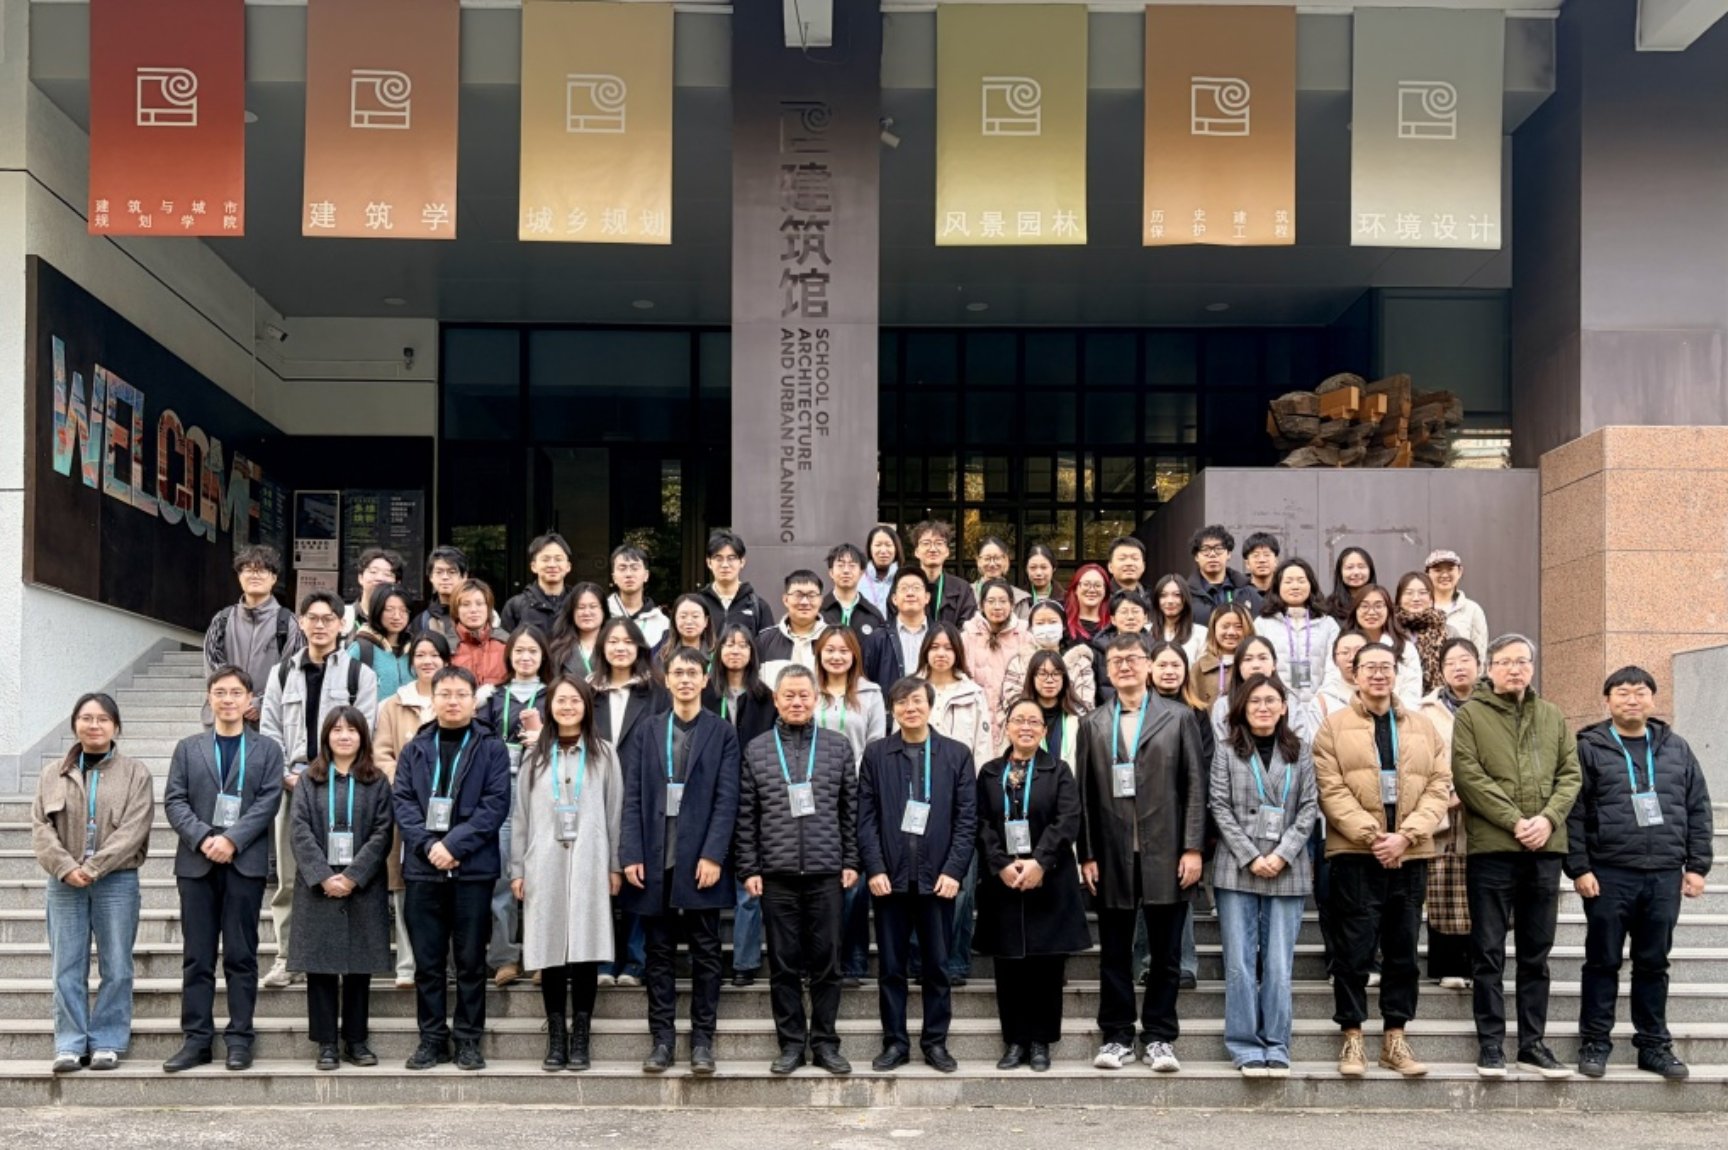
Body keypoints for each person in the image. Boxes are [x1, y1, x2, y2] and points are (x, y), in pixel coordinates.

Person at [1568, 666, 1714, 1081]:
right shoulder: (1589, 748)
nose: (1631, 699)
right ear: (1607, 700)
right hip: (1609, 873)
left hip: (1664, 873)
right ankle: (1595, 1041)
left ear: (1652, 699)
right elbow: (1574, 812)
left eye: (1639, 692)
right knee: (1602, 961)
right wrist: (1579, 867)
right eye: (1622, 692)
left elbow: (1698, 808)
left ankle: (1653, 1045)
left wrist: (1697, 866)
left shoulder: (1676, 748)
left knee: (1653, 963)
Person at [1312, 644, 1451, 1079]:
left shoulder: (1423, 726)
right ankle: (1352, 1035)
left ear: (1397, 673)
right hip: (1357, 855)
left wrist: (1406, 837)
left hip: (1411, 854)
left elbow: (1439, 785)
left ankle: (1395, 1037)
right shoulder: (1333, 727)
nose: (1378, 675)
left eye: (1386, 667)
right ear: (1354, 674)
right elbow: (1331, 790)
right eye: (1369, 667)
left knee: (1403, 951)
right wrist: (1376, 838)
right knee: (1353, 951)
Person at [1450, 634, 1582, 1080]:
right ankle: (1491, 1043)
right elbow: (1468, 776)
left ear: (1532, 667)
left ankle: (1532, 1043)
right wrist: (1515, 821)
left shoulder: (1552, 715)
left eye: (1522, 661)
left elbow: (1570, 774)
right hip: (1493, 849)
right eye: (1505, 662)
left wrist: (1547, 819)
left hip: (1545, 849)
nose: (1514, 669)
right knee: (1488, 951)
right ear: (1489, 668)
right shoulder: (1471, 715)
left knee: (1535, 952)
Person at [1077, 634, 1206, 1073]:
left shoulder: (1178, 717)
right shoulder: (1094, 722)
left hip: (1166, 851)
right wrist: (1087, 854)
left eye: (1132, 658)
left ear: (1149, 665)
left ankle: (1159, 1036)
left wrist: (1193, 847)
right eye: (1115, 660)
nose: (1124, 666)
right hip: (1112, 854)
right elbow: (1086, 795)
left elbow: (1195, 786)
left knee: (1166, 952)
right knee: (1114, 951)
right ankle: (1116, 1035)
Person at [620, 647, 742, 1074]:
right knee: (658, 953)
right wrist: (631, 852)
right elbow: (632, 796)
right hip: (655, 859)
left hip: (701, 860)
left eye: (693, 673)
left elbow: (728, 799)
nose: (686, 679)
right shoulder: (648, 730)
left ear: (705, 680)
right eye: (678, 673)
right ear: (666, 680)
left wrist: (714, 854)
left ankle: (703, 1041)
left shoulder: (722, 732)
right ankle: (662, 1040)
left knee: (706, 953)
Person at [737, 665, 859, 1076]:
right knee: (784, 964)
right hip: (776, 874)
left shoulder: (837, 746)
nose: (796, 702)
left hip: (826, 873)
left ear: (816, 699)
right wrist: (749, 867)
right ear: (776, 700)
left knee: (828, 963)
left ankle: (825, 1043)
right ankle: (791, 1044)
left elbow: (850, 810)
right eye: (788, 695)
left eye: (804, 695)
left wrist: (851, 860)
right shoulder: (757, 749)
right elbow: (746, 816)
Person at [162, 667, 286, 1071]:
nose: (228, 699)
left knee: (241, 955)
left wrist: (232, 840)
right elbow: (175, 801)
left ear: (249, 700)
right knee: (197, 957)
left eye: (236, 693)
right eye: (220, 692)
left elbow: (268, 801)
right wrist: (204, 839)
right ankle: (197, 1040)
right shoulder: (188, 748)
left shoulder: (267, 749)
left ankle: (240, 1038)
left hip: (244, 864)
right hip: (196, 865)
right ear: (209, 697)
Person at [393, 665, 513, 1071]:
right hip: (424, 869)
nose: (453, 701)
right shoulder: (415, 747)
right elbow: (403, 802)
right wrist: (430, 846)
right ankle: (431, 1039)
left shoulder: (491, 747)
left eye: (461, 694)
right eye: (445, 694)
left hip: (473, 869)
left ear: (474, 700)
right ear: (433, 699)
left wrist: (453, 845)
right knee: (428, 963)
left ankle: (467, 1040)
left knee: (470, 960)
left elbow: (495, 804)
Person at [260, 591, 380, 990]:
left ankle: (344, 953)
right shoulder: (281, 673)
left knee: (343, 870)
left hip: (344, 785)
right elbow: (269, 729)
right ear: (301, 622)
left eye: (328, 618)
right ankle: (286, 957)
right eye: (312, 618)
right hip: (295, 784)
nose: (320, 625)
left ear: (342, 624)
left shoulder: (359, 675)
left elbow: (364, 728)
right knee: (290, 876)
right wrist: (285, 774)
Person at [857, 678, 977, 1073]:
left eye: (917, 701)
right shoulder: (877, 754)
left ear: (930, 705)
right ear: (892, 709)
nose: (910, 708)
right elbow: (865, 818)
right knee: (891, 967)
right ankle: (895, 1043)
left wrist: (954, 870)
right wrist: (874, 867)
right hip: (889, 880)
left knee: (937, 967)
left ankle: (935, 1042)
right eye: (901, 702)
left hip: (938, 879)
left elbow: (966, 819)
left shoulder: (955, 754)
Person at [32, 693, 153, 1073]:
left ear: (116, 726)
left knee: (117, 964)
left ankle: (108, 1041)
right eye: (86, 718)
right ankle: (69, 1043)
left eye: (102, 719)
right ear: (75, 725)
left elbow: (134, 829)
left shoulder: (135, 773)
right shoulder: (53, 773)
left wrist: (95, 867)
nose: (94, 725)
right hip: (64, 882)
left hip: (116, 880)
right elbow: (40, 828)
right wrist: (66, 867)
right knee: (66, 965)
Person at [510, 674, 622, 1073]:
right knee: (550, 946)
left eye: (575, 700)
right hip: (544, 861)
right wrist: (518, 868)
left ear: (586, 706)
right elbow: (520, 816)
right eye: (561, 700)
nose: (568, 706)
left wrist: (614, 865)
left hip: (591, 859)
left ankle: (581, 1034)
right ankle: (556, 1033)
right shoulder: (535, 756)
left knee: (586, 946)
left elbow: (614, 812)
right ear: (549, 707)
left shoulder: (604, 754)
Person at [1209, 674, 1317, 1077]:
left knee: (1278, 964)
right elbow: (1219, 806)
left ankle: (1277, 1043)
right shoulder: (1226, 751)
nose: (1263, 707)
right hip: (1238, 866)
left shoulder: (1300, 751)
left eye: (1271, 700)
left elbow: (1309, 808)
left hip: (1287, 868)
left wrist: (1282, 854)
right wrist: (1252, 856)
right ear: (1242, 707)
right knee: (1239, 961)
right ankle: (1243, 1045)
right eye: (1255, 701)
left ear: (1284, 707)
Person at [975, 699, 1090, 1070]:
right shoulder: (990, 773)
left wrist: (1040, 862)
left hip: (1049, 880)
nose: (1025, 727)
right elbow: (980, 822)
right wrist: (1000, 864)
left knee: (1046, 967)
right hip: (1004, 881)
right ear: (1007, 727)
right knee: (1008, 967)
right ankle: (1014, 1041)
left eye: (1034, 722)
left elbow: (1068, 819)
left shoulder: (1059, 771)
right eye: (1018, 720)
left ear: (1044, 730)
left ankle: (1041, 1042)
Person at [286, 708, 394, 1071]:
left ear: (363, 736)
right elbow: (299, 830)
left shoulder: (376, 781)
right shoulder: (308, 780)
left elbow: (382, 832)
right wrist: (322, 875)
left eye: (351, 730)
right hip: (317, 885)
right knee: (320, 968)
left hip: (362, 885)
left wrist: (352, 876)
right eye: (337, 730)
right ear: (326, 737)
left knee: (359, 967)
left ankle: (356, 1040)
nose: (344, 736)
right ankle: (326, 1044)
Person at [589, 616, 669, 986]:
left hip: (643, 791)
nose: (620, 648)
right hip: (596, 792)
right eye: (612, 641)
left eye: (627, 641)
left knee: (638, 875)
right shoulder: (588, 691)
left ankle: (635, 961)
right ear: (601, 648)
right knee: (600, 876)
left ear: (639, 647)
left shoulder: (657, 692)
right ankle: (603, 960)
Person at [475, 625, 553, 988]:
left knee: (543, 872)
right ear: (509, 655)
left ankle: (542, 956)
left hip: (543, 786)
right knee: (504, 872)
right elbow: (478, 740)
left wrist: (544, 737)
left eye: (532, 651)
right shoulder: (494, 696)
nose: (525, 657)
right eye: (519, 650)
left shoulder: (554, 694)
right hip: (501, 788)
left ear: (543, 656)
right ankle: (505, 957)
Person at [372, 632, 452, 987]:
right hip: (406, 810)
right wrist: (409, 786)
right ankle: (407, 963)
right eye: (420, 655)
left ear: (446, 660)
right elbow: (381, 755)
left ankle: (443, 962)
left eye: (435, 654)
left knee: (448, 884)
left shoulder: (457, 700)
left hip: (451, 810)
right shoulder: (393, 705)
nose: (427, 661)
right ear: (411, 661)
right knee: (404, 883)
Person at [704, 622, 777, 988]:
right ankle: (708, 962)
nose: (735, 651)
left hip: (755, 797)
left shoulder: (766, 698)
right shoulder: (705, 694)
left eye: (742, 645)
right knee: (709, 882)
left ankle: (745, 962)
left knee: (749, 884)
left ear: (753, 653)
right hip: (710, 797)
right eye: (728, 644)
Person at [1149, 641, 1216, 989]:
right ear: (1150, 669)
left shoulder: (1196, 712)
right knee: (1144, 890)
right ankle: (1147, 960)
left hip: (1183, 814)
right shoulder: (1137, 709)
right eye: (1162, 665)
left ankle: (1184, 962)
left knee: (1182, 886)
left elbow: (1204, 765)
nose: (1169, 671)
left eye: (1176, 665)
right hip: (1145, 813)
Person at [1419, 638, 1480, 989]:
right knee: (1443, 887)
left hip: (1483, 812)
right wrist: (1444, 796)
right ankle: (1447, 965)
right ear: (1440, 670)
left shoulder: (1495, 703)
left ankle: (1479, 964)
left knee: (1480, 888)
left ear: (1479, 665)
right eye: (1451, 662)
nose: (1459, 667)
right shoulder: (1426, 710)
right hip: (1444, 809)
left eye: (1465, 660)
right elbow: (1419, 760)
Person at [201, 544, 304, 727]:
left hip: (268, 722)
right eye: (248, 570)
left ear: (273, 578)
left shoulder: (288, 623)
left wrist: (261, 703)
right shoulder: (222, 620)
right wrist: (235, 698)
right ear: (239, 576)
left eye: (262, 570)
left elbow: (292, 670)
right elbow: (213, 665)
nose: (254, 575)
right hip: (224, 721)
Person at [996, 600, 1097, 750]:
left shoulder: (1079, 661)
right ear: (1031, 628)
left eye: (1052, 622)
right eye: (1040, 623)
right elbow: (1011, 701)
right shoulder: (1019, 661)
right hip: (1027, 732)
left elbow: (1086, 703)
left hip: (1070, 734)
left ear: (1063, 625)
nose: (1047, 627)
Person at [1254, 558, 1338, 709]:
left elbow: (1335, 666)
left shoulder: (1328, 624)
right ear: (1277, 587)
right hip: (1275, 706)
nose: (1295, 586)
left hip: (1320, 706)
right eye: (1288, 581)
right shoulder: (1262, 623)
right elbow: (1258, 665)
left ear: (1311, 585)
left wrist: (1323, 699)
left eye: (1301, 581)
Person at [962, 578, 1033, 722]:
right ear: (981, 605)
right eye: (991, 601)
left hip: (1014, 718)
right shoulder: (967, 637)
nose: (997, 607)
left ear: (1012, 605)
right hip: (975, 717)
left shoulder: (1025, 637)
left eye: (1003, 601)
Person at [1347, 584, 1424, 711]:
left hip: (1397, 715)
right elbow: (1335, 684)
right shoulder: (1344, 644)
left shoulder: (1405, 646)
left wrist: (1399, 715)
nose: (1371, 612)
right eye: (1364, 606)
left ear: (1388, 610)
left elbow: (1412, 690)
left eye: (1378, 606)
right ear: (1355, 610)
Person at [864, 567, 934, 691]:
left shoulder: (940, 635)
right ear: (894, 599)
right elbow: (866, 681)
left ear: (927, 597)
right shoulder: (878, 638)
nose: (910, 593)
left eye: (916, 588)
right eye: (904, 588)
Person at [696, 529, 777, 635]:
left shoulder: (758, 606)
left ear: (742, 562)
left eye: (731, 558)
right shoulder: (697, 603)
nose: (725, 565)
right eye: (718, 558)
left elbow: (768, 643)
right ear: (709, 562)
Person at [1185, 525, 1263, 625]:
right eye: (1205, 549)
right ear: (1196, 556)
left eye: (1218, 548)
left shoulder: (1247, 591)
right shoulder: (1186, 594)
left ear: (1229, 554)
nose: (1212, 554)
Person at [348, 585, 414, 701]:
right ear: (377, 610)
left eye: (403, 610)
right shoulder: (360, 649)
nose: (397, 616)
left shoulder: (414, 650)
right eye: (389, 609)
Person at [500, 532, 573, 636]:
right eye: (545, 559)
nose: (552, 565)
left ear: (568, 566)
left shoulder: (577, 603)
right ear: (533, 566)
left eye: (558, 559)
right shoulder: (515, 606)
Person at [756, 570, 831, 668]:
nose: (804, 602)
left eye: (811, 595)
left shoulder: (833, 638)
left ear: (821, 600)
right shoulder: (764, 641)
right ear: (785, 599)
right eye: (798, 595)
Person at [1424, 549, 1490, 660]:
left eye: (1450, 569)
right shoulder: (1420, 609)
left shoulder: (1472, 610)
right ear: (1427, 574)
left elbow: (1480, 654)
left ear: (1460, 572)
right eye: (1438, 570)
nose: (1444, 575)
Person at [910, 519, 978, 626]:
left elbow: (967, 628)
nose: (933, 549)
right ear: (916, 552)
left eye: (939, 543)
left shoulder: (962, 589)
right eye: (926, 543)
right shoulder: (905, 587)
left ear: (947, 551)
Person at [607, 545, 671, 655]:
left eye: (634, 568)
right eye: (622, 568)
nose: (629, 574)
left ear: (646, 575)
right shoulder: (603, 615)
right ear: (614, 578)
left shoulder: (662, 622)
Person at [1394, 572, 1450, 695]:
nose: (1416, 598)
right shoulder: (1391, 629)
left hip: (1437, 698)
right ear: (1399, 599)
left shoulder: (1448, 630)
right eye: (1409, 593)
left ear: (1431, 598)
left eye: (1422, 593)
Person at [1190, 603, 1253, 708]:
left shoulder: (1256, 664)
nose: (1231, 632)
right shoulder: (1200, 667)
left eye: (1239, 627)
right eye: (1225, 626)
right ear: (1214, 628)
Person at [821, 541, 888, 639]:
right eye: (840, 565)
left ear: (861, 573)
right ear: (831, 573)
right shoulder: (819, 611)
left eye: (852, 565)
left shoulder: (873, 615)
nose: (846, 571)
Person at [451, 579, 510, 688]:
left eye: (479, 604)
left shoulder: (506, 643)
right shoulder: (447, 644)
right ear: (456, 610)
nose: (473, 610)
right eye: (466, 604)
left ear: (488, 608)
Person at [549, 581, 609, 680]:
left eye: (593, 606)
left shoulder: (614, 645)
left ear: (604, 611)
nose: (587, 613)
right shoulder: (557, 649)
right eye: (581, 607)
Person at [340, 547, 405, 638]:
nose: (379, 578)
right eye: (373, 572)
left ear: (397, 583)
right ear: (360, 578)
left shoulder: (401, 621)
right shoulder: (342, 616)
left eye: (387, 574)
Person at [414, 545, 472, 643]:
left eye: (452, 572)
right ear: (431, 577)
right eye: (439, 572)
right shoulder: (422, 620)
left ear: (464, 576)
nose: (445, 577)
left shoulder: (478, 613)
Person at [972, 535, 1032, 618]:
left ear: (1006, 560)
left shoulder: (1020, 598)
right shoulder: (966, 594)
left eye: (997, 558)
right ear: (978, 561)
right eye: (987, 559)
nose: (992, 564)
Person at [1151, 573, 1201, 664]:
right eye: (1163, 595)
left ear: (1185, 598)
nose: (1170, 601)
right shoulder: (1146, 631)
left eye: (1177, 595)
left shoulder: (1201, 634)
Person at [1322, 546, 1377, 622]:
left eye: (1361, 567)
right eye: (1350, 567)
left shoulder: (1383, 604)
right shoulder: (1328, 607)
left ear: (1370, 571)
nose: (1356, 572)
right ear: (1340, 573)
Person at [859, 525, 904, 618]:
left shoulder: (905, 578)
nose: (883, 550)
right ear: (870, 548)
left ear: (896, 548)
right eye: (878, 545)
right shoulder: (858, 579)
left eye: (888, 545)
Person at [1063, 563, 1111, 645]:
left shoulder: (1114, 623)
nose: (1092, 590)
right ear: (1075, 589)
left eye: (1098, 585)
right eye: (1086, 584)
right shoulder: (1062, 621)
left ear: (1105, 590)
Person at [669, 593, 717, 666]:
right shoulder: (663, 656)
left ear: (706, 621)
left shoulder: (718, 656)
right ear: (674, 620)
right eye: (683, 616)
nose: (689, 621)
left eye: (695, 616)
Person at [1023, 543, 1063, 610]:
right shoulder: (1019, 599)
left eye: (1044, 567)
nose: (1038, 573)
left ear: (1053, 569)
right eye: (1033, 567)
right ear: (1026, 569)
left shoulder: (1067, 598)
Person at [1241, 532, 1282, 598]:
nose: (1262, 560)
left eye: (1267, 555)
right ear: (1247, 563)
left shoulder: (1284, 589)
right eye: (1256, 555)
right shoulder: (1239, 591)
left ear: (1276, 561)